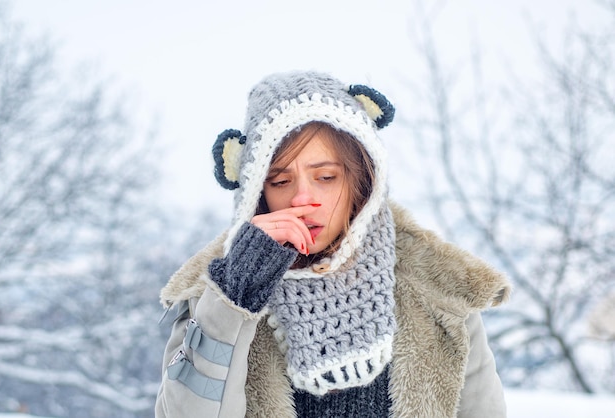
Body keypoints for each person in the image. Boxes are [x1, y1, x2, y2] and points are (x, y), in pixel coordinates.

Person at [155, 71, 511, 418]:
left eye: (326, 177)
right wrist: (235, 295)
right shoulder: (212, 298)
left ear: (362, 181)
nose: (302, 198)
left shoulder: (440, 291)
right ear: (256, 194)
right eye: (280, 181)